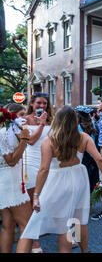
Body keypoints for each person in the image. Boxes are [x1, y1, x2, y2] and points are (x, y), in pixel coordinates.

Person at [17, 106, 102, 253]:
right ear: (75, 120)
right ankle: (85, 251)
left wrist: (36, 195)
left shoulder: (49, 141)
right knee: (79, 220)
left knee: (61, 224)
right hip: (79, 178)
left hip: (57, 180)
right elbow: (99, 159)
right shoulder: (83, 137)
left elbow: (44, 169)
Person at [24, 92, 53, 253]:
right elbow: (30, 141)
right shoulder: (26, 120)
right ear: (32, 104)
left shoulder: (52, 120)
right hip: (32, 163)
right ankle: (35, 241)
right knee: (33, 203)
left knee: (52, 199)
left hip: (49, 163)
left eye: (45, 103)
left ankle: (64, 233)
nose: (42, 106)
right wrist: (41, 124)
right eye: (39, 103)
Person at [0, 105, 32, 253]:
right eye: (20, 115)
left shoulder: (10, 132)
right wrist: (24, 139)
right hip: (11, 182)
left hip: (5, 182)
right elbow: (11, 161)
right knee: (28, 225)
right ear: (10, 118)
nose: (23, 118)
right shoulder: (4, 133)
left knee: (8, 225)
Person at [74, 106, 99, 193]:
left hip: (83, 156)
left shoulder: (78, 127)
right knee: (91, 180)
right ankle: (89, 203)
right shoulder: (93, 124)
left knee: (82, 181)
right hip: (92, 155)